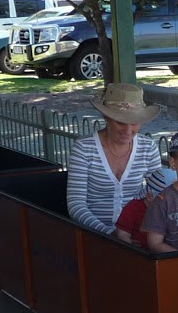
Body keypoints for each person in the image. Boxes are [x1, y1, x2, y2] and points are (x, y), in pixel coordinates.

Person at [66, 82, 163, 235]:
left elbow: (158, 192)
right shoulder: (84, 147)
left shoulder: (148, 147)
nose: (128, 130)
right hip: (92, 233)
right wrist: (109, 234)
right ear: (106, 117)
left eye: (135, 123)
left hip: (135, 232)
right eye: (121, 122)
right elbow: (76, 204)